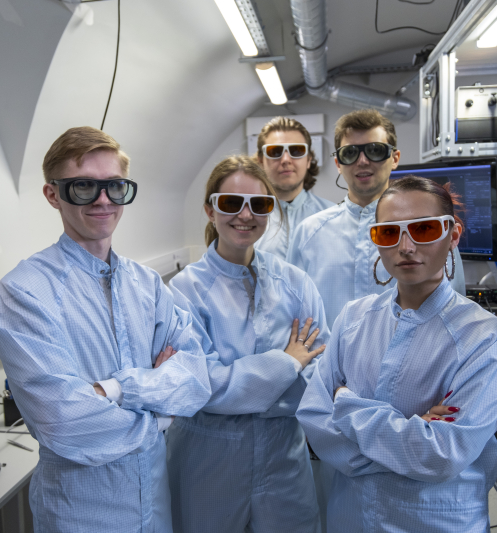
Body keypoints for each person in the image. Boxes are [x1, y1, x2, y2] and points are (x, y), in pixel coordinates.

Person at [0, 127, 212, 532]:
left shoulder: (148, 285)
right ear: (52, 194)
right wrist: (160, 408)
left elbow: (196, 379)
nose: (104, 200)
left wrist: (112, 391)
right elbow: (64, 421)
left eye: (115, 187)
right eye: (83, 187)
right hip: (82, 514)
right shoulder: (25, 292)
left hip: (154, 508)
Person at [296, 176, 497, 532]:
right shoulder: (354, 318)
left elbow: (441, 454)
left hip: (434, 519)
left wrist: (346, 403)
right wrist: (407, 439)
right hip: (352, 515)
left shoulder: (481, 335)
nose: (406, 246)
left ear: (453, 235)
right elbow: (315, 418)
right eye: (388, 233)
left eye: (424, 229)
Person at [167, 155, 328, 533]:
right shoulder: (184, 291)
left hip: (284, 456)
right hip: (207, 458)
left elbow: (320, 372)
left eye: (258, 204)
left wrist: (245, 386)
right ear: (210, 209)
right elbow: (202, 387)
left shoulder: (296, 282)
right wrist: (287, 364)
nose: (245, 214)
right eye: (230, 203)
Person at [287, 109, 466, 329]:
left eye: (375, 150)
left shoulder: (431, 229)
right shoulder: (308, 233)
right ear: (338, 163)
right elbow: (292, 312)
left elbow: (453, 311)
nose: (362, 161)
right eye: (350, 153)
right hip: (326, 362)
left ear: (395, 158)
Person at [253, 117, 334, 259]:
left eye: (296, 151)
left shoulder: (333, 218)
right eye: (275, 151)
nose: (285, 160)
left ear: (308, 159)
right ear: (261, 160)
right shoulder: (246, 218)